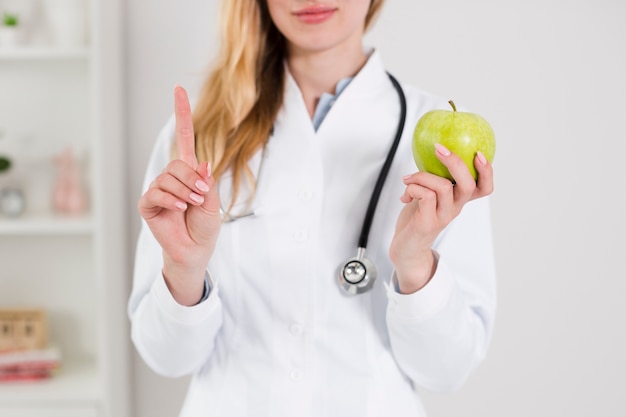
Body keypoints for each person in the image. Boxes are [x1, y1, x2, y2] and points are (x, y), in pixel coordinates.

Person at [128, 0, 497, 416]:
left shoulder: (440, 145)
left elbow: (447, 371)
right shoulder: (198, 136)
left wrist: (415, 266)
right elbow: (167, 358)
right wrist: (183, 270)